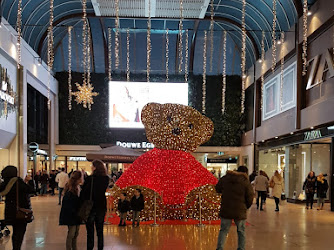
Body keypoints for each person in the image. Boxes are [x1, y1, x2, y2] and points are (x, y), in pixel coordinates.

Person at [215, 166, 254, 250]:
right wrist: (246, 206)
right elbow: (250, 196)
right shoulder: (245, 181)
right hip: (240, 210)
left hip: (226, 208)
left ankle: (220, 248)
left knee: (224, 230)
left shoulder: (225, 178)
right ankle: (241, 248)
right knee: (241, 231)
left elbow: (217, 188)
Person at [0, 165, 34, 250]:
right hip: (20, 211)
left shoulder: (4, 183)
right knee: (19, 232)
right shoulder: (19, 182)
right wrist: (29, 181)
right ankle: (16, 248)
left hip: (10, 211)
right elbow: (31, 191)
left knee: (15, 231)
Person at [80, 160, 109, 250]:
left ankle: (90, 247)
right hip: (101, 205)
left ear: (95, 167)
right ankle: (100, 247)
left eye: (92, 166)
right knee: (100, 231)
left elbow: (84, 193)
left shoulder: (90, 179)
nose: (91, 167)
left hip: (91, 206)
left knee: (90, 231)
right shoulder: (106, 179)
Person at [59, 171, 83, 250]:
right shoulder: (71, 189)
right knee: (71, 234)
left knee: (76, 233)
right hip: (72, 214)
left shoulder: (78, 187)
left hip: (76, 214)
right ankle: (69, 248)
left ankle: (74, 248)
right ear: (78, 178)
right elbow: (68, 204)